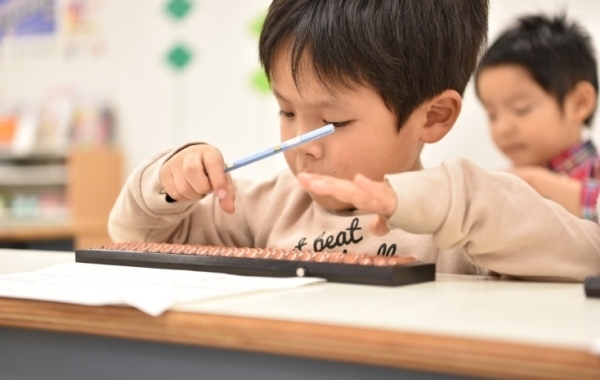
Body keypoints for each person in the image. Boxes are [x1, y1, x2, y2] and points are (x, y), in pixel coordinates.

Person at [109, 0, 600, 282]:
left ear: (434, 117)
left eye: (332, 124)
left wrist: (459, 200)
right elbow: (136, 238)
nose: (301, 144)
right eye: (285, 111)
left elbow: (585, 257)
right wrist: (168, 181)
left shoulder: (457, 225)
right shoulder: (266, 208)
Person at [475, 14, 600, 222]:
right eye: (492, 115)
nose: (502, 129)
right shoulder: (511, 180)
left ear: (580, 103)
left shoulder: (594, 170)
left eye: (521, 109)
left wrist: (536, 181)